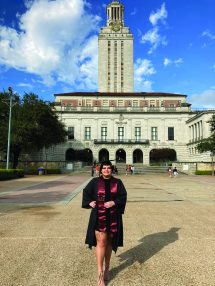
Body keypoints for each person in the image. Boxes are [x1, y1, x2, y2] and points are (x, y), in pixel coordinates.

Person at [82, 160, 127, 286]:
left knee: (109, 243)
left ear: (111, 170)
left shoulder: (118, 182)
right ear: (100, 170)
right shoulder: (95, 182)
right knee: (101, 242)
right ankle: (100, 274)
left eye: (108, 168)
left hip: (113, 216)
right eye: (104, 168)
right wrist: (89, 202)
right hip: (99, 216)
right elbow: (86, 193)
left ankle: (107, 268)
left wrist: (114, 202)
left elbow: (123, 196)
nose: (106, 170)